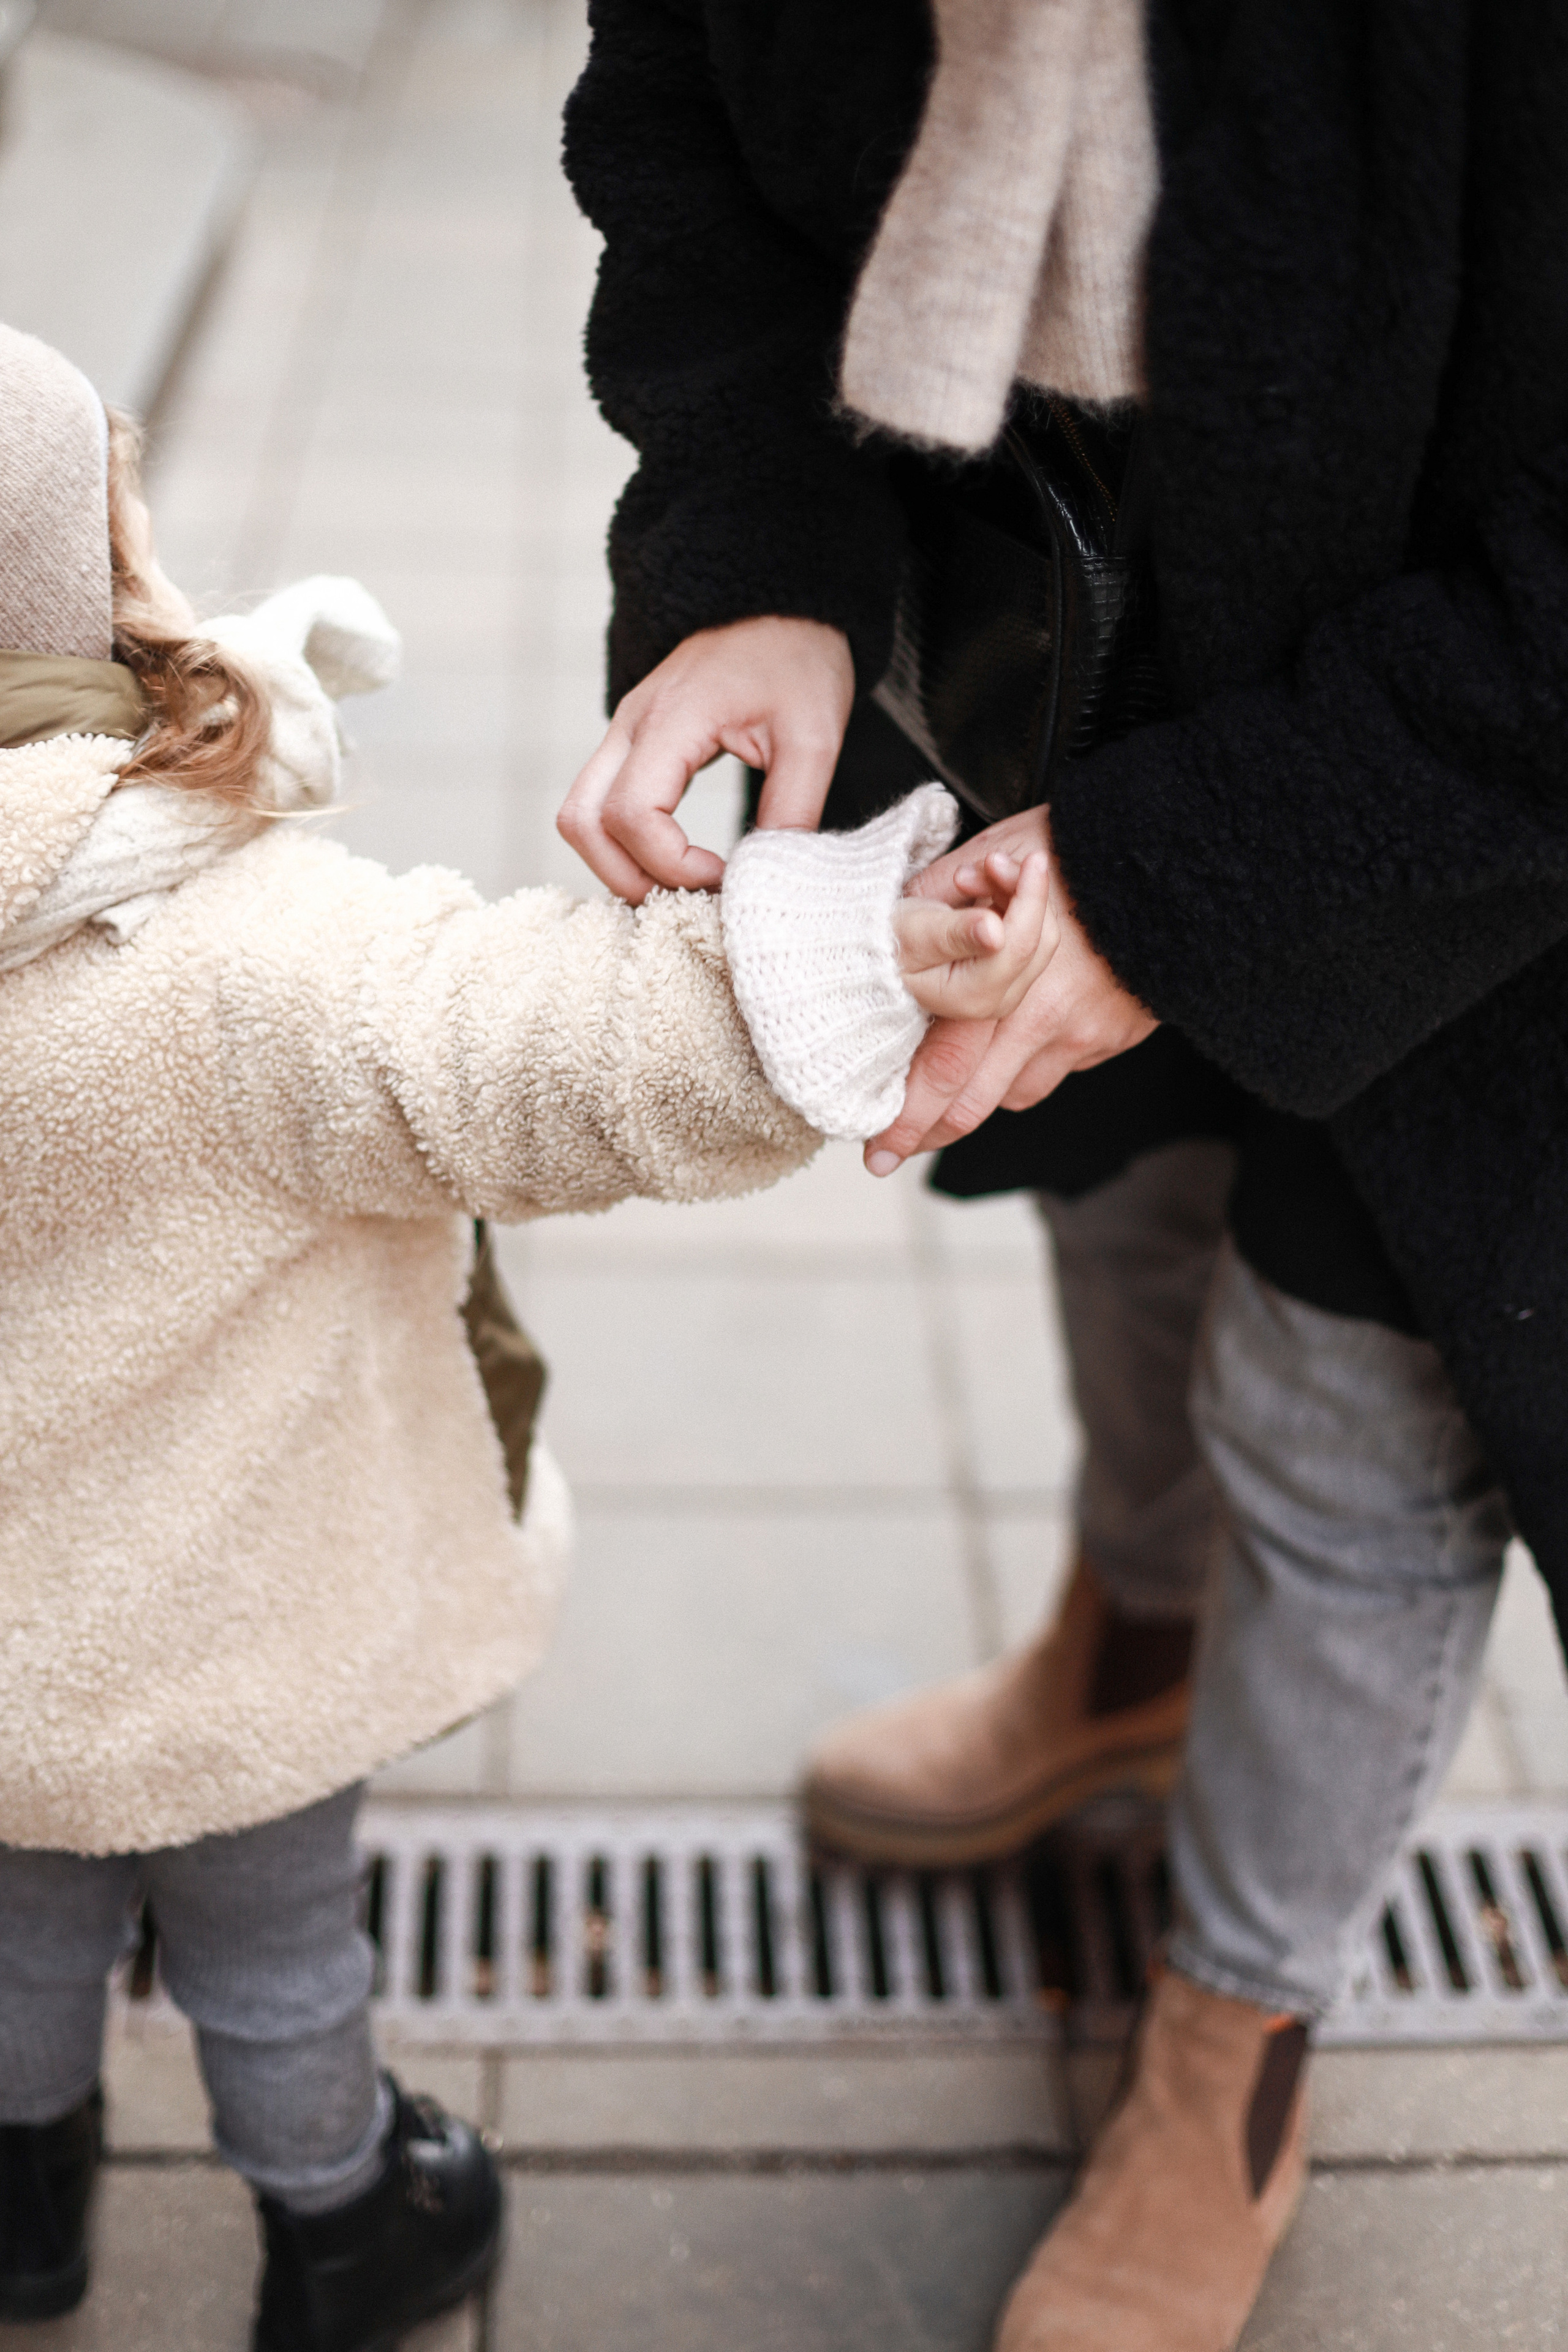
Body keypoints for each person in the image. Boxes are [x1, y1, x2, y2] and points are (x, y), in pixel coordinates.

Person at [559, 4, 1568, 2345]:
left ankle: (1231, 2039)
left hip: (1506, 741)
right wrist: (761, 552)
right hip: (1116, 615)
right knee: (1128, 1180)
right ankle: (1131, 1643)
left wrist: (1190, 879)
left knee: (1355, 1381)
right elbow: (684, 117)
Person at [0, 322, 1052, 2348]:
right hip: (233, 1615)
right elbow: (530, 1042)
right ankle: (341, 2225)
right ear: (96, 574)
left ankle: (26, 2205)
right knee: (271, 1941)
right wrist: (844, 949)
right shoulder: (229, 962)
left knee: (19, 1907)